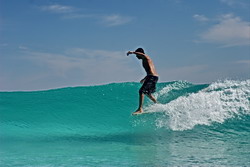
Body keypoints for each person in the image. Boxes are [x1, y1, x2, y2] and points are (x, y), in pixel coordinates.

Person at [127, 48, 159, 115]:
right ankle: (158, 104)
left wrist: (132, 52)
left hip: (152, 77)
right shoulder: (145, 60)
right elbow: (150, 71)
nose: (136, 56)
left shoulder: (146, 57)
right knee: (147, 93)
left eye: (137, 54)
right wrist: (144, 78)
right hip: (152, 77)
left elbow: (142, 54)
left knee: (141, 91)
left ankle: (140, 109)